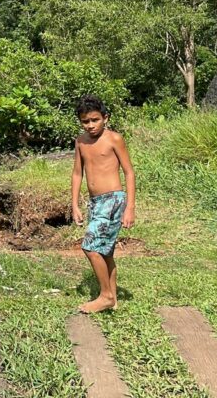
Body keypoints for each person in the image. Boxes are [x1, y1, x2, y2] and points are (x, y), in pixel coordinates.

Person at [71, 95, 136, 314]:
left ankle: (106, 295)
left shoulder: (114, 139)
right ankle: (113, 298)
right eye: (85, 121)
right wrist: (74, 204)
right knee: (105, 251)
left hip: (113, 199)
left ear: (105, 118)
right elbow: (77, 173)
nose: (90, 125)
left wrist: (130, 207)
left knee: (90, 246)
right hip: (95, 202)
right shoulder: (81, 142)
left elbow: (129, 172)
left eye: (94, 120)